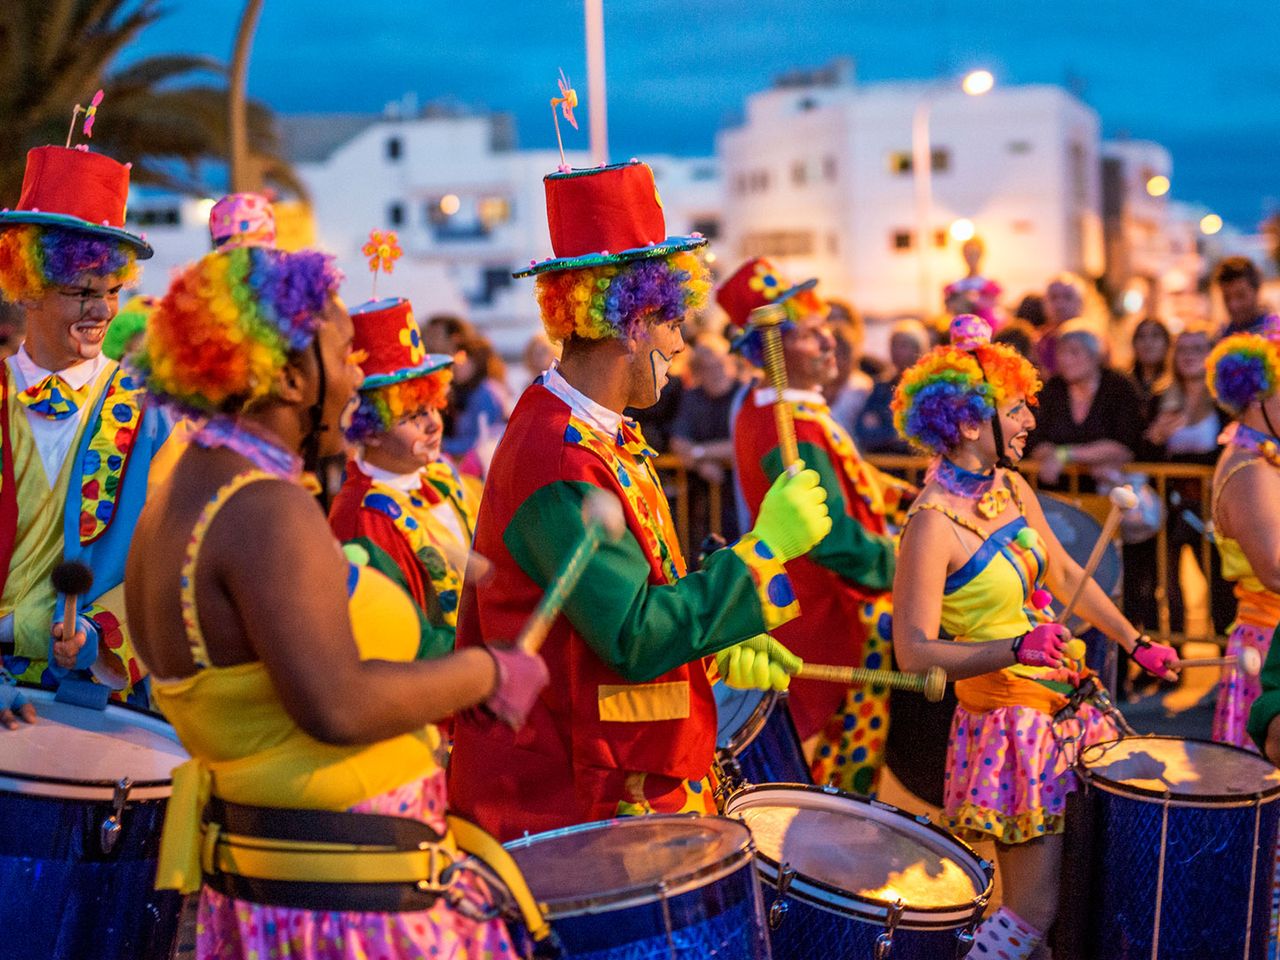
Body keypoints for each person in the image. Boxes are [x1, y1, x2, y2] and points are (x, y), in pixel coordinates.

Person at [126, 242, 550, 958]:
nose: (359, 376)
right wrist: (487, 673)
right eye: (347, 353)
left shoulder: (186, 488)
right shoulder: (261, 508)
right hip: (353, 906)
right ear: (292, 378)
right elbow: (336, 703)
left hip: (288, 886)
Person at [448, 160, 831, 840]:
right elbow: (631, 636)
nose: (683, 345)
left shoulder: (596, 431)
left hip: (618, 773)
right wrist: (765, 549)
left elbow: (619, 606)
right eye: (674, 322)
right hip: (570, 800)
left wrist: (716, 646)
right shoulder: (558, 456)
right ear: (634, 322)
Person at [891, 314, 1178, 959]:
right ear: (969, 423)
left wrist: (1135, 641)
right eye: (1018, 410)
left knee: (1071, 899)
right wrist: (1015, 649)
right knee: (1031, 909)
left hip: (1063, 702)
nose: (1030, 424)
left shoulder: (1012, 487)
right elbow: (913, 652)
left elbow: (1070, 572)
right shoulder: (931, 524)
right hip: (1007, 725)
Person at [0, 141, 174, 720]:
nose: (101, 312)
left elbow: (168, 556)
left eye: (110, 292)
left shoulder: (150, 417)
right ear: (25, 286)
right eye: (80, 292)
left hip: (93, 700)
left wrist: (97, 635)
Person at [724, 256, 906, 794]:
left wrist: (909, 499)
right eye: (811, 335)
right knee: (843, 773)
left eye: (826, 329)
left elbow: (855, 479)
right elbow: (826, 535)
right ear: (774, 350)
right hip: (838, 616)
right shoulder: (784, 425)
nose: (831, 342)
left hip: (835, 607)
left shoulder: (791, 412)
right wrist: (903, 563)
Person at [328, 295, 476, 653]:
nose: (432, 425)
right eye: (412, 417)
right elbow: (398, 640)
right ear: (371, 429)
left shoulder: (440, 478)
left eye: (432, 408)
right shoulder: (360, 521)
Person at [1206, 324, 1280, 749]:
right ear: (1257, 397)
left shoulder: (1263, 458)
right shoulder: (1250, 470)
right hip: (1270, 644)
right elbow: (1275, 570)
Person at [1027, 320, 1143, 491]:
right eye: (1061, 352)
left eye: (1074, 352)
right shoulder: (1053, 388)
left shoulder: (1119, 386)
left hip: (1110, 489)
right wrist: (1089, 457)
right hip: (1060, 490)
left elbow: (1125, 446)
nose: (1065, 359)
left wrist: (1064, 454)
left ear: (1095, 356)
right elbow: (1035, 442)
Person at [670, 330, 742, 546]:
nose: (716, 372)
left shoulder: (744, 394)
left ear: (731, 363)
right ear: (697, 372)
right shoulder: (693, 398)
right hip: (706, 500)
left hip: (740, 496)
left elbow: (740, 444)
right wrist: (702, 465)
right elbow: (677, 442)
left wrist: (699, 453)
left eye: (720, 364)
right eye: (708, 368)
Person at [855, 318, 930, 455]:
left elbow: (930, 436)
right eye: (893, 344)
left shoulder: (930, 389)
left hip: (917, 470)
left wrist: (886, 429)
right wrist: (901, 435)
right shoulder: (880, 388)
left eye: (903, 345)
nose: (896, 351)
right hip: (886, 466)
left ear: (918, 348)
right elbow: (863, 432)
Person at [943, 236, 1003, 329]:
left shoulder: (989, 285)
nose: (971, 258)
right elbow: (947, 311)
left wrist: (975, 300)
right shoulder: (955, 286)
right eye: (968, 254)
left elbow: (996, 306)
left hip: (985, 331)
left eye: (975, 254)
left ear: (981, 254)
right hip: (960, 331)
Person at [1214, 256, 1271, 339]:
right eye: (1227, 297)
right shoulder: (1223, 336)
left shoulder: (1273, 335)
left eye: (1241, 295)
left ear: (1256, 290)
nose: (1233, 305)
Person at [1130, 316, 1171, 404]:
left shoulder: (1175, 385)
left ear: (1167, 344)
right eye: (1141, 336)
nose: (1148, 343)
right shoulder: (1125, 385)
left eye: (1155, 335)